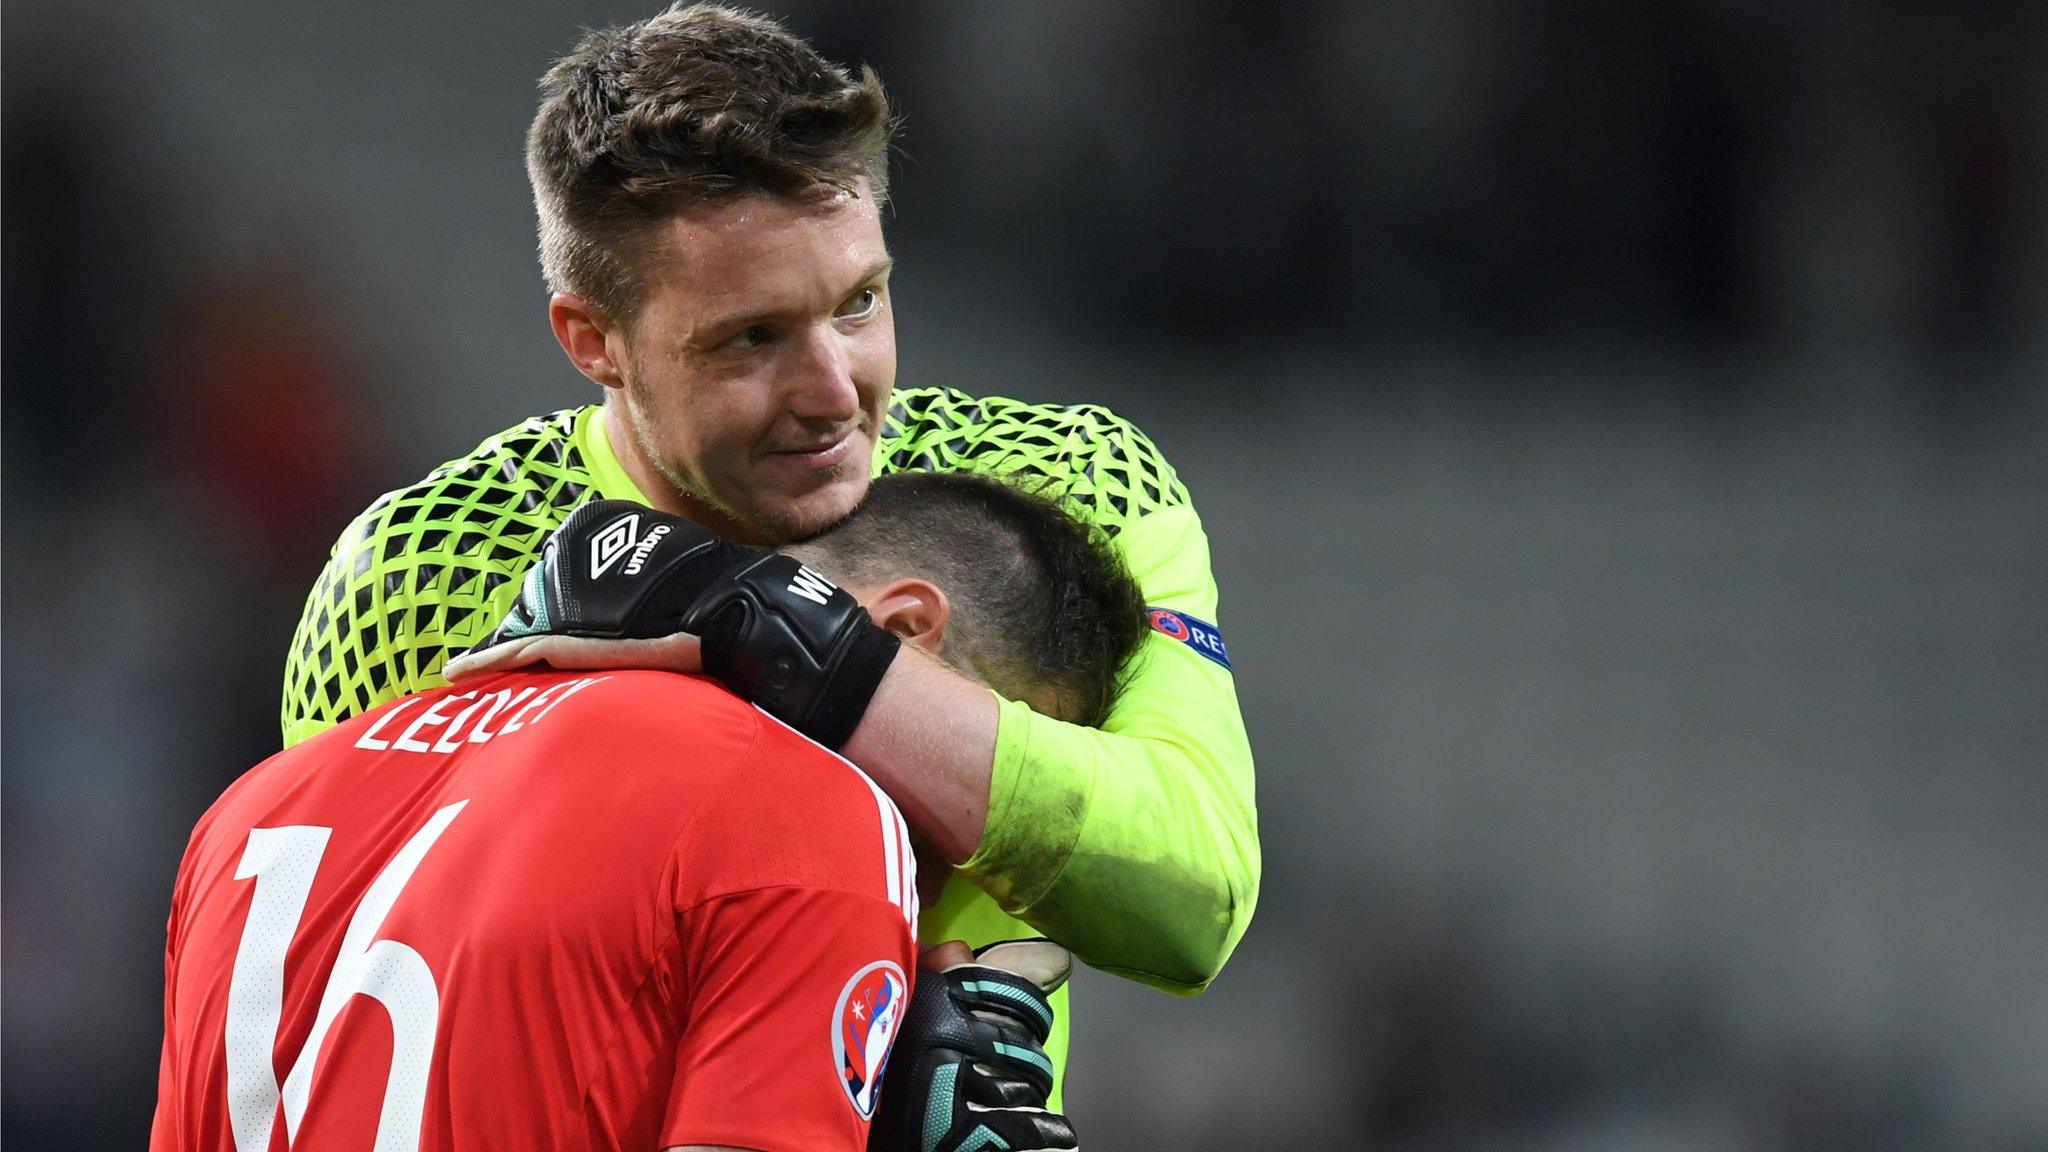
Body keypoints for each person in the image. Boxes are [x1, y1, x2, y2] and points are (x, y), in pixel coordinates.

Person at [280, 0, 1259, 1109]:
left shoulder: (1061, 480)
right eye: (752, 337)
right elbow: (352, 1031)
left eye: (860, 303)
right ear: (591, 338)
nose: (835, 393)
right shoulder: (418, 579)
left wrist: (792, 640)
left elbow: (1195, 896)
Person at [157, 474, 1138, 1152]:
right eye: (972, 783)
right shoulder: (812, 813)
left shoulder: (253, 808)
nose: (950, 871)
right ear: (904, 633)